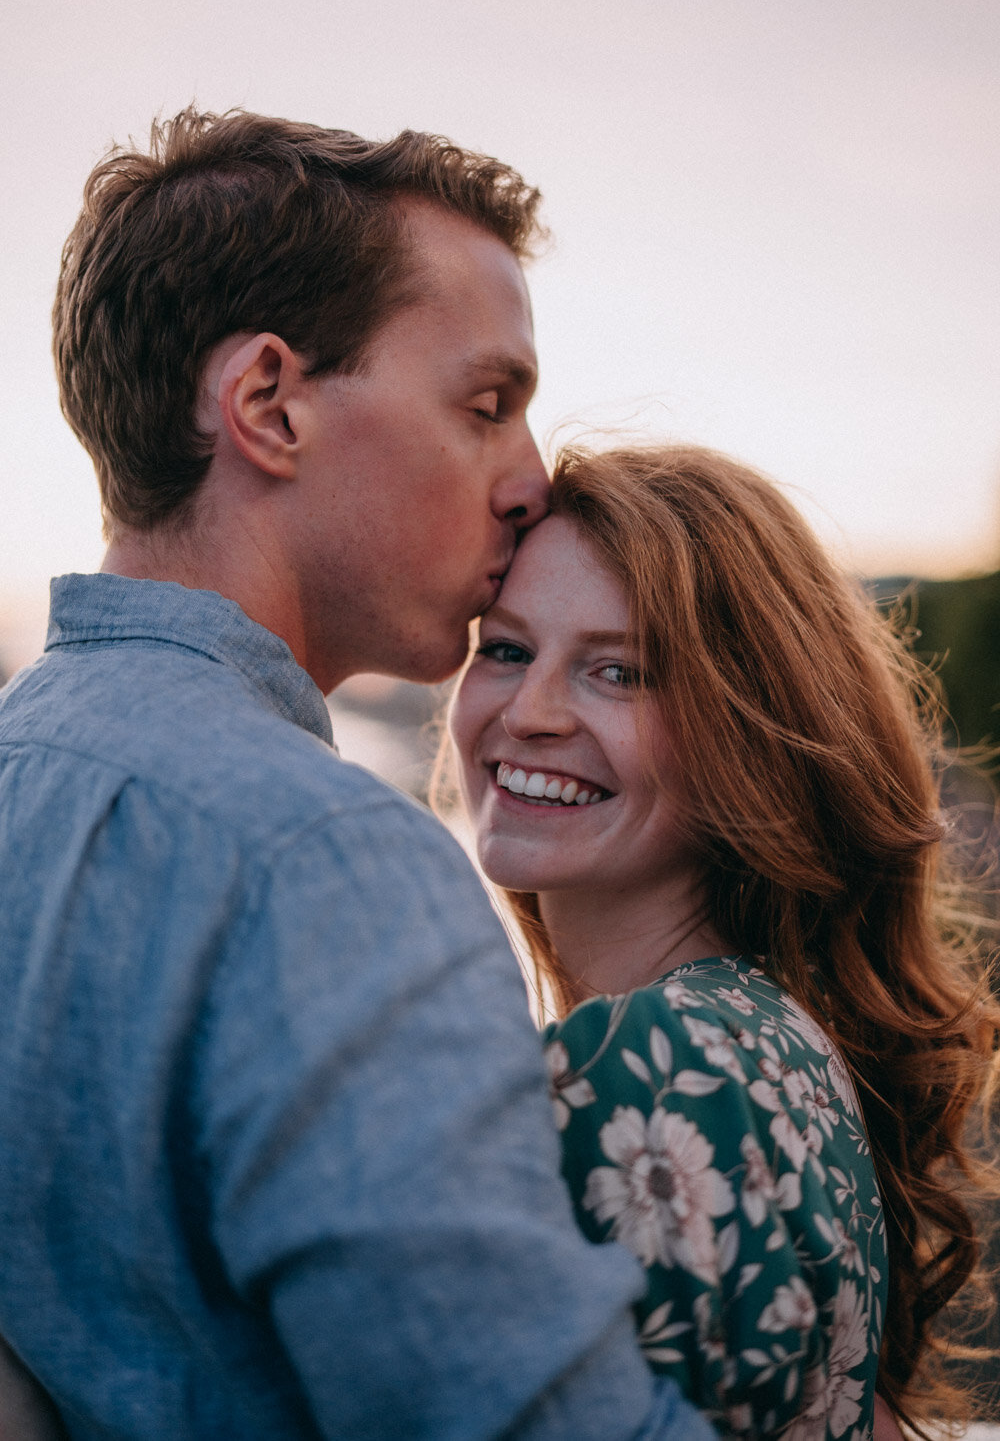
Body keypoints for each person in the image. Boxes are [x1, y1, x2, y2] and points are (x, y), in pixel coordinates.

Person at [0, 111, 715, 1440]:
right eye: (487, 404)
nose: (530, 479)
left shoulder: (20, 769)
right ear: (270, 406)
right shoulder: (321, 863)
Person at [450, 442, 1000, 1439]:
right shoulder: (771, 1033)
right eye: (505, 648)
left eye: (617, 672)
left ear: (746, 736)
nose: (529, 713)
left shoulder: (642, 1072)